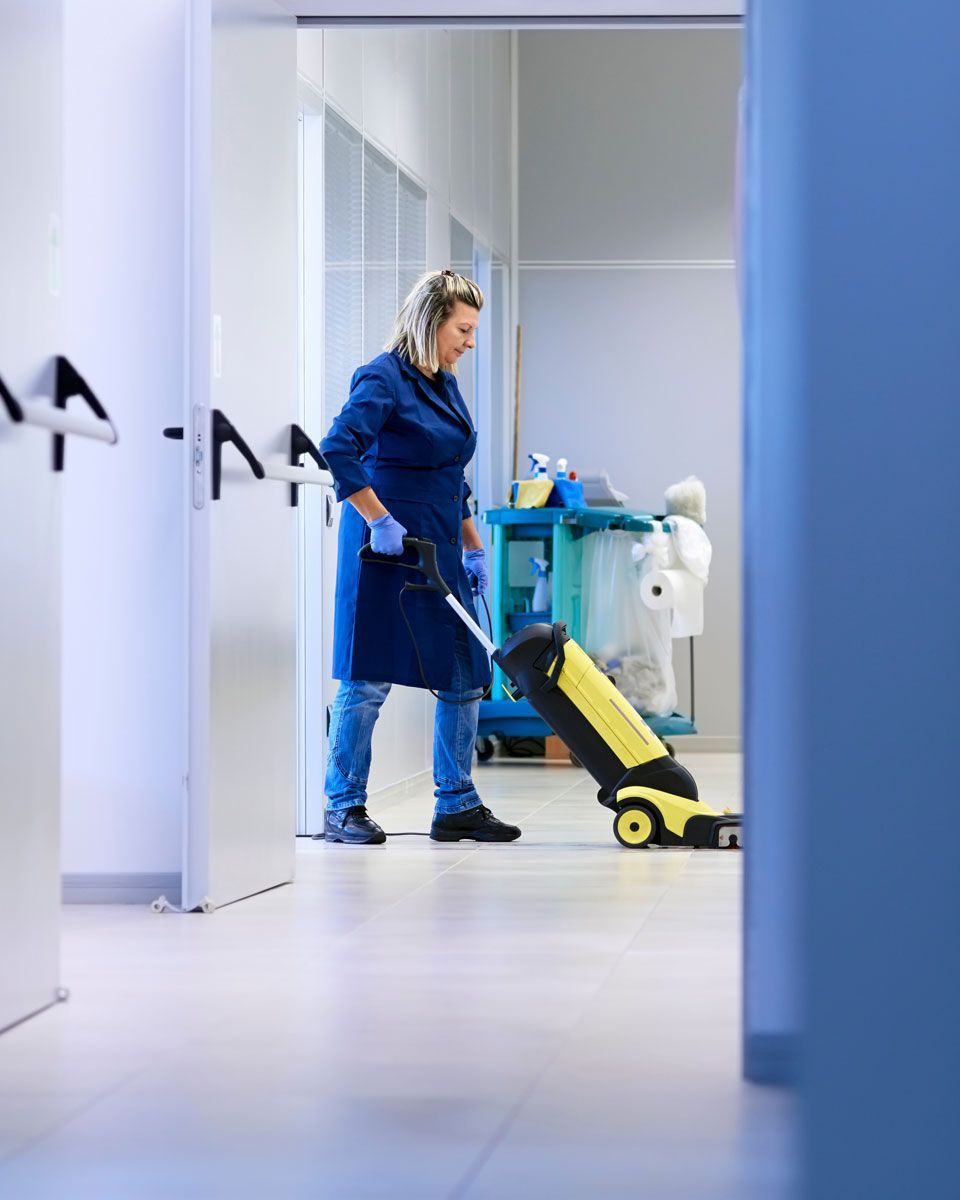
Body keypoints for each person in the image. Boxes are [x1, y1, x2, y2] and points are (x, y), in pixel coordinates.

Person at [319, 269, 521, 846]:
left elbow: (451, 474)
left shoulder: (444, 382)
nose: (470, 341)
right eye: (463, 328)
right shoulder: (384, 378)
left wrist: (476, 547)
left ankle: (456, 802)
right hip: (386, 549)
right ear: (431, 321)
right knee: (369, 678)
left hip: (442, 546)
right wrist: (378, 519)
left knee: (463, 673)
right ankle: (342, 805)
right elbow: (338, 448)